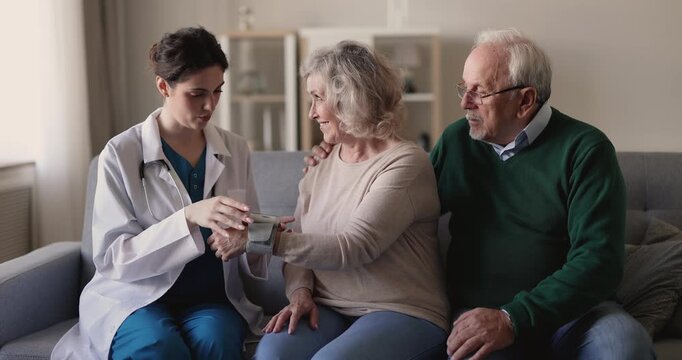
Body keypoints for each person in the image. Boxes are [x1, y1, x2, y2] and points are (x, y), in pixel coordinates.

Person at [307, 29, 655, 359]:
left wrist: (513, 317)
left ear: (525, 100)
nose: (465, 103)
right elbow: (398, 205)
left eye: (480, 92)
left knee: (624, 345)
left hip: (574, 315)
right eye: (464, 88)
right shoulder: (458, 141)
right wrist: (340, 162)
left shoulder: (585, 150)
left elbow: (600, 261)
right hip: (477, 314)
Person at [51, 27, 282, 359]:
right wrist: (189, 217)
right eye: (196, 93)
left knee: (216, 341)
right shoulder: (120, 153)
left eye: (217, 91)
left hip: (208, 299)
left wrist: (264, 233)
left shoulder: (235, 148)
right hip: (135, 298)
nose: (209, 105)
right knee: (157, 346)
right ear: (164, 86)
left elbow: (250, 228)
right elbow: (114, 258)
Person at [213, 40, 450, 359]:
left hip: (401, 310)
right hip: (328, 307)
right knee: (272, 355)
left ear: (349, 99)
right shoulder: (320, 163)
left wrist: (258, 236)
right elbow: (299, 241)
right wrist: (299, 292)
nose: (311, 113)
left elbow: (355, 246)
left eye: (317, 98)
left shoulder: (406, 163)